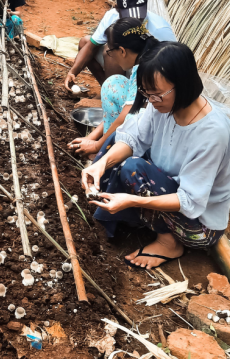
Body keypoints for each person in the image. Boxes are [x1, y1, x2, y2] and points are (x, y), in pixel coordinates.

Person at [81, 42, 230, 270]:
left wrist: (133, 200)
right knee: (116, 142)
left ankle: (169, 242)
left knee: (133, 168)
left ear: (183, 84)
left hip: (197, 225)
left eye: (158, 94)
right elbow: (135, 139)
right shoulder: (161, 104)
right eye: (146, 93)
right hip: (168, 187)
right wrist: (100, 165)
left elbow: (189, 200)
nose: (151, 100)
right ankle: (103, 197)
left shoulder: (212, 134)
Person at [69, 18, 159, 156]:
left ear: (122, 51)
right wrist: (90, 138)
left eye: (110, 52)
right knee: (114, 82)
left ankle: (114, 150)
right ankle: (109, 141)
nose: (111, 57)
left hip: (158, 132)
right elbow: (121, 111)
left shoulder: (144, 69)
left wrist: (97, 146)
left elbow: (125, 115)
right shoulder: (150, 55)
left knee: (128, 115)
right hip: (154, 118)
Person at [64, 0, 176, 89]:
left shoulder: (160, 30)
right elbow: (90, 46)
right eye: (128, 16)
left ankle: (123, 94)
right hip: (124, 66)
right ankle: (110, 90)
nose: (135, 19)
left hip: (149, 74)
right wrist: (72, 72)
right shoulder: (112, 17)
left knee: (113, 48)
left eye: (139, 15)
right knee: (88, 42)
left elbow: (173, 66)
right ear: (117, 8)